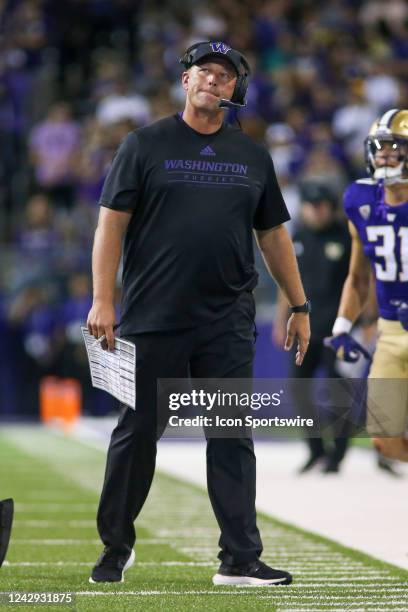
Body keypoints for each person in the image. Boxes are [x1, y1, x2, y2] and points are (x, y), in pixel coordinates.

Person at [86, 41, 310, 586]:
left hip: (227, 320)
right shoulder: (144, 144)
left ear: (236, 89)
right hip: (152, 315)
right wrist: (103, 299)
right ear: (184, 81)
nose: (215, 81)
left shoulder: (253, 155)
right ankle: (115, 548)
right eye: (204, 72)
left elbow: (273, 235)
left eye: (225, 75)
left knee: (231, 434)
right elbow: (110, 225)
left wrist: (299, 303)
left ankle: (239, 558)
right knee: (137, 433)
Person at [325, 108, 408, 462]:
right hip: (390, 331)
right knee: (384, 439)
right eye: (379, 148)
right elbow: (358, 276)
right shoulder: (360, 201)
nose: (384, 155)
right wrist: (343, 325)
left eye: (394, 147)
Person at [273, 182, 351, 473]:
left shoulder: (345, 237)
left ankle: (338, 454)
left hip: (337, 329)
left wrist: (361, 322)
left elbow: (358, 282)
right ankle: (316, 449)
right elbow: (286, 283)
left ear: (331, 208)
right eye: (311, 206)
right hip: (304, 328)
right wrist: (282, 319)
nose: (316, 212)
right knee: (299, 389)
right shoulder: (296, 237)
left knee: (337, 391)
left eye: (321, 206)